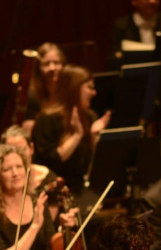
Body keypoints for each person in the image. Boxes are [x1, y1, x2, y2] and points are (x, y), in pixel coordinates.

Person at [31, 64, 110, 206]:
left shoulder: (89, 117)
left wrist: (94, 136)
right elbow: (53, 162)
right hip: (53, 193)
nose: (94, 93)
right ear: (75, 89)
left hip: (80, 188)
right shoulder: (47, 119)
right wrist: (77, 135)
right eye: (89, 87)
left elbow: (90, 167)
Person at [22, 42, 66, 134]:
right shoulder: (31, 95)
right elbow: (28, 128)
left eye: (56, 63)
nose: (52, 68)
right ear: (38, 67)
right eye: (46, 64)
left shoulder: (69, 89)